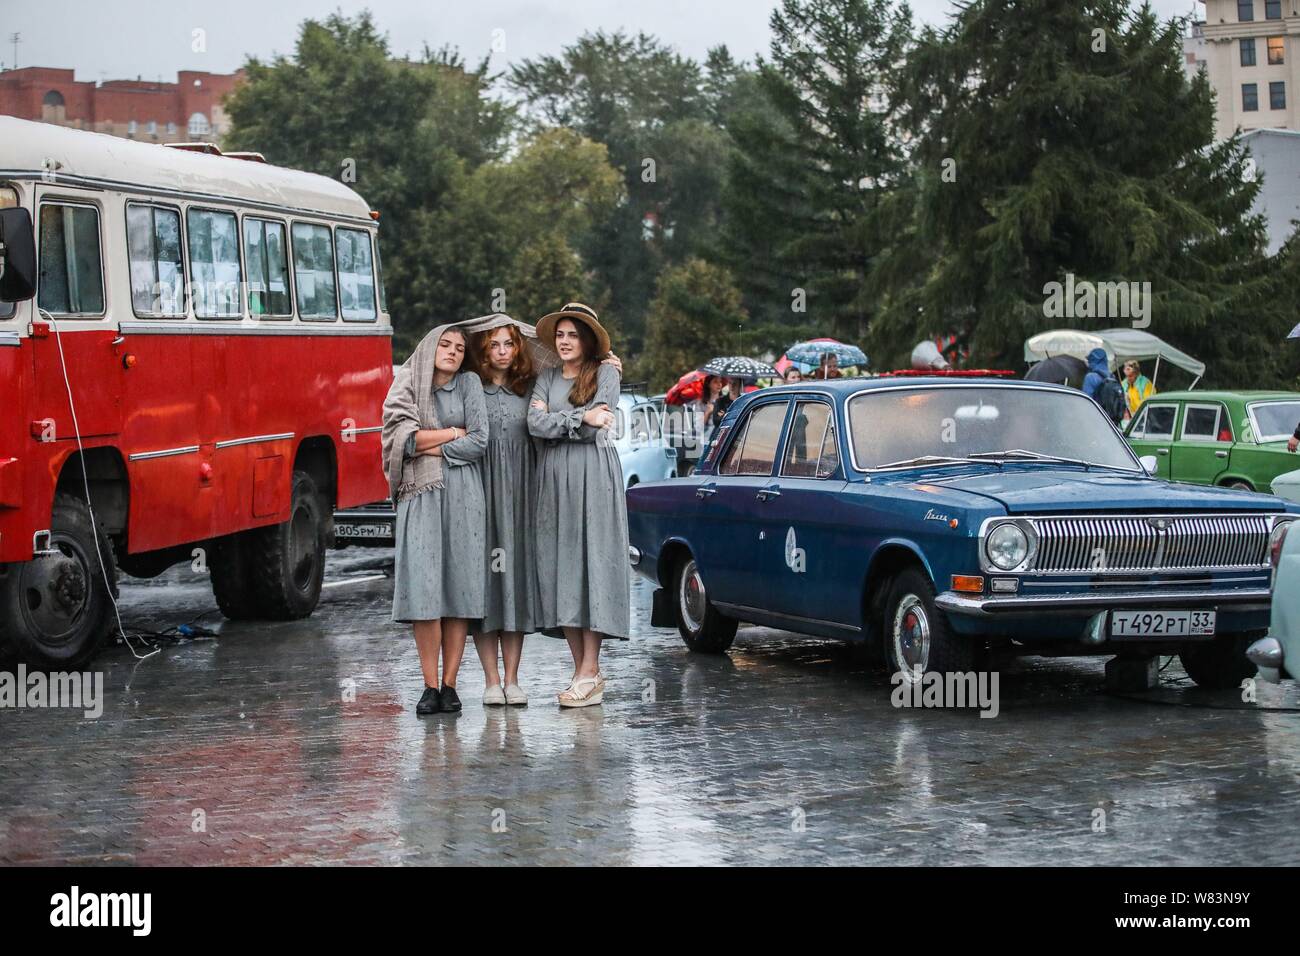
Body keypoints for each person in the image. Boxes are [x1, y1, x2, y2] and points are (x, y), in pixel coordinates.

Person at [382, 322, 489, 716]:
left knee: (458, 589)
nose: (453, 351)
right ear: (429, 348)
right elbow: (403, 441)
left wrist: (432, 444)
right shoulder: (407, 384)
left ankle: (450, 685)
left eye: (460, 348)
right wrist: (450, 433)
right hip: (420, 496)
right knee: (425, 590)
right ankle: (428, 685)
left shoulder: (469, 385)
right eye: (445, 344)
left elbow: (479, 440)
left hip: (464, 496)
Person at [528, 303, 631, 707]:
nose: (565, 341)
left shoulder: (606, 372)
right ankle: (582, 672)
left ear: (587, 340)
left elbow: (598, 425)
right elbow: (533, 425)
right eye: (560, 335)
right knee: (562, 567)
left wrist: (563, 420)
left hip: (593, 475)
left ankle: (590, 668)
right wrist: (578, 419)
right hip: (553, 479)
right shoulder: (547, 376)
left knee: (593, 564)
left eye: (573, 334)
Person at [467, 319, 542, 707]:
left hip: (519, 495)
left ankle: (513, 679)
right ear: (483, 351)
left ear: (517, 350)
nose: (501, 351)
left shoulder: (529, 390)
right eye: (494, 344)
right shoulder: (471, 389)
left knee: (514, 587)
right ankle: (490, 681)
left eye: (509, 344)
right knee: (487, 590)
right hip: (481, 493)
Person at [1082, 347, 1126, 425]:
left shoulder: (1090, 377)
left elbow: (1086, 403)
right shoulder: (1112, 376)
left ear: (1092, 360)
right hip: (1111, 424)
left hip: (1096, 421)